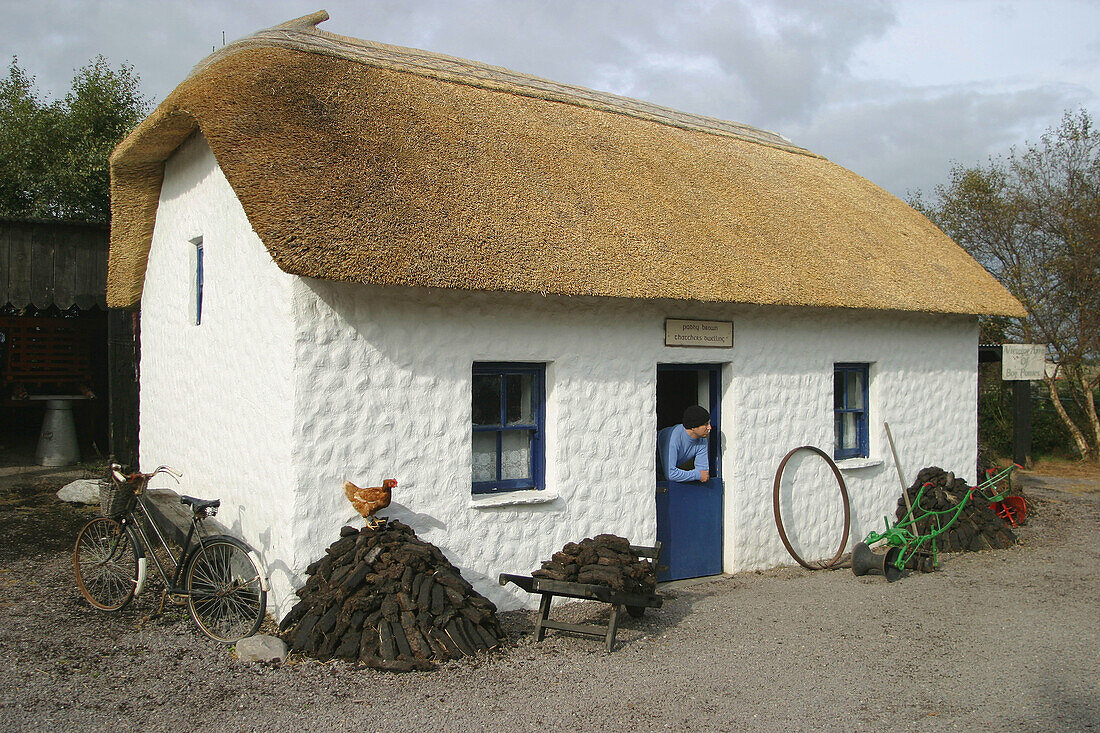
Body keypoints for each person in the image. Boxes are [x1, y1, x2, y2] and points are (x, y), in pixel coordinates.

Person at [657, 405, 712, 482]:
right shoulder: (674, 437)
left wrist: (699, 475)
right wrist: (697, 475)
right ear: (693, 427)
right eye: (706, 424)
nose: (709, 428)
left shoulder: (702, 440)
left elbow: (704, 473)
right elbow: (670, 474)